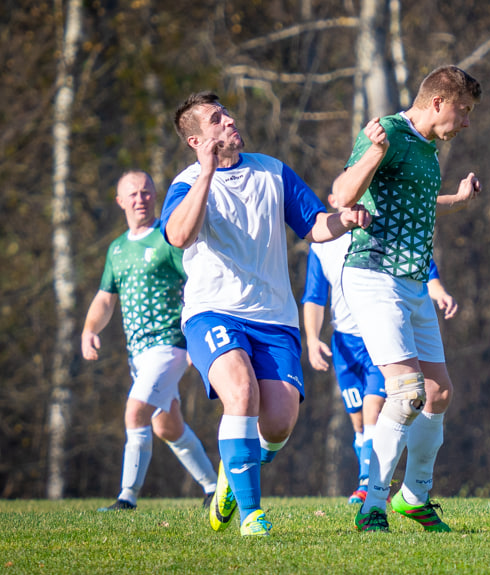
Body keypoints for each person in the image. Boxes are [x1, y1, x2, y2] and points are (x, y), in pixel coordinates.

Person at [160, 91, 369, 537]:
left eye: (227, 113)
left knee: (277, 424)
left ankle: (232, 479)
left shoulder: (272, 170)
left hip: (275, 317)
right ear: (197, 140)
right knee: (241, 394)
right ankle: (252, 515)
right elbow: (178, 236)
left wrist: (345, 221)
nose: (229, 121)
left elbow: (315, 226)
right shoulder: (186, 183)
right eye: (216, 120)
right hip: (213, 312)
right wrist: (207, 174)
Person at [332, 65, 482, 532]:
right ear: (439, 101)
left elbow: (408, 194)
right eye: (464, 109)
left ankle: (413, 497)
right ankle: (373, 502)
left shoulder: (427, 147)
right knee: (407, 392)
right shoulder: (388, 133)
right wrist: (374, 152)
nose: (466, 122)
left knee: (438, 394)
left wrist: (453, 200)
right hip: (374, 275)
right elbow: (342, 193)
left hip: (412, 283)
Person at [300, 200, 458, 504]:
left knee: (379, 404)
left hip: (379, 335)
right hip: (345, 344)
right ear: (335, 202)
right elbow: (314, 297)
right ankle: (375, 477)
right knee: (359, 421)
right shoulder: (322, 246)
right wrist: (312, 338)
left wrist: (440, 294)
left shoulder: (386, 231)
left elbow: (426, 270)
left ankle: (371, 488)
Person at [81, 170, 218, 512]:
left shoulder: (166, 238)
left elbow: (196, 283)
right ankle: (214, 488)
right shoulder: (117, 249)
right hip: (138, 353)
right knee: (167, 426)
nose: (140, 199)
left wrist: (194, 337)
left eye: (146, 192)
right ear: (120, 201)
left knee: (135, 411)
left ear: (155, 195)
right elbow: (104, 298)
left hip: (170, 343)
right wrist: (89, 330)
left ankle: (127, 498)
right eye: (133, 194)